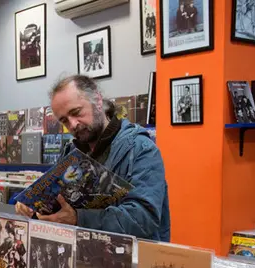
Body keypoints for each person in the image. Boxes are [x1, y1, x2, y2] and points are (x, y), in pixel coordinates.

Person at [15, 75, 170, 242]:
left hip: (132, 262)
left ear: (97, 99)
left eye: (76, 112)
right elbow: (59, 204)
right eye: (64, 120)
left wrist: (79, 219)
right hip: (86, 259)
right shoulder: (71, 151)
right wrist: (33, 206)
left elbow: (143, 219)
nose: (73, 124)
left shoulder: (141, 149)